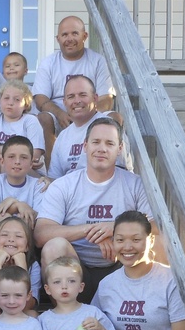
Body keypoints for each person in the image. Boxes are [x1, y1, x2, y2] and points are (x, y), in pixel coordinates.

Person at [34, 117, 153, 303]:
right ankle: (64, 314)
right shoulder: (64, 185)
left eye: (109, 143)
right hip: (77, 271)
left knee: (159, 242)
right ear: (85, 146)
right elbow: (41, 234)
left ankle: (155, 302)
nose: (102, 149)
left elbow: (154, 225)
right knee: (53, 246)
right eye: (96, 142)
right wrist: (93, 230)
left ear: (120, 148)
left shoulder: (135, 184)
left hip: (122, 266)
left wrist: (116, 228)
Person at [32, 16, 115, 161]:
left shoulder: (98, 61)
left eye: (74, 33)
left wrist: (88, 116)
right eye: (64, 35)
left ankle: (109, 169)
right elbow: (40, 98)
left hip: (90, 113)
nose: (69, 39)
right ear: (58, 39)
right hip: (60, 116)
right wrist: (60, 114)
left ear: (85, 36)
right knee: (44, 117)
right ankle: (53, 171)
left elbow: (106, 99)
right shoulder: (48, 63)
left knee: (113, 117)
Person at [0, 216, 41, 321]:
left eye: (18, 236)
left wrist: (22, 266)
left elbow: (28, 306)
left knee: (32, 314)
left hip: (22, 313)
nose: (11, 239)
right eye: (4, 235)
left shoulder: (33, 266)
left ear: (27, 246)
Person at [0, 80, 45, 174]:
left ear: (26, 104)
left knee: (9, 164)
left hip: (29, 172)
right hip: (3, 164)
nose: (10, 103)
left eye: (17, 99)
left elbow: (34, 156)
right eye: (6, 98)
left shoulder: (30, 120)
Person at [0, 136, 48, 228]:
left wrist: (21, 208)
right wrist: (16, 205)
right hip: (0, 236)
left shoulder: (38, 185)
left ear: (31, 164)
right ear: (2, 161)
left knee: (25, 216)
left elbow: (41, 218)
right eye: (11, 157)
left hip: (27, 236)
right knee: (2, 217)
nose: (17, 162)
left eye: (24, 157)